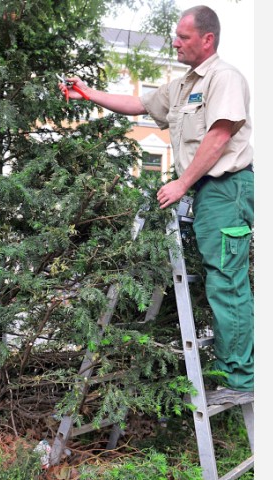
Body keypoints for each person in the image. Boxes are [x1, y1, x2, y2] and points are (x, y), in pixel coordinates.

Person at [58, 5, 254, 394]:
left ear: (206, 39)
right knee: (220, 280)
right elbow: (139, 105)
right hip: (207, 191)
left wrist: (181, 184)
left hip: (227, 189)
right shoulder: (183, 86)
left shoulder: (224, 77)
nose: (175, 42)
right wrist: (86, 92)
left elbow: (219, 137)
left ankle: (242, 380)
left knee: (227, 284)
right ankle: (236, 374)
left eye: (183, 37)